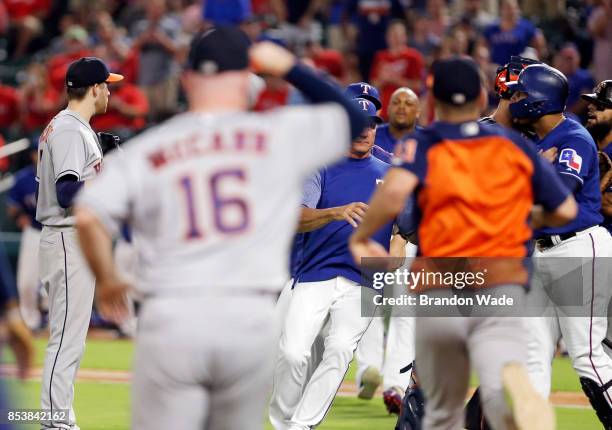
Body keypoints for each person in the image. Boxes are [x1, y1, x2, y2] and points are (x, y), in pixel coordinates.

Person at [74, 27, 369, 430]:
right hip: (247, 319)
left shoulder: (150, 148)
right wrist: (289, 67)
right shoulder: (279, 135)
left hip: (171, 316)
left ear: (187, 79)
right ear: (249, 79)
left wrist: (107, 279)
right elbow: (353, 118)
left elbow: (88, 215)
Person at [350, 57, 575, 430]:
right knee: (505, 378)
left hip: (442, 281)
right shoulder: (514, 147)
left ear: (433, 98)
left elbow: (398, 210)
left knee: (436, 399)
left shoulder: (420, 144)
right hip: (502, 281)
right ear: (481, 93)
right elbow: (565, 209)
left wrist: (362, 238)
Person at [269, 97, 397, 430]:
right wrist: (335, 212)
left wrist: (394, 252)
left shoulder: (391, 173)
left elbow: (407, 226)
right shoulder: (319, 166)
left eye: (371, 123)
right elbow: (296, 218)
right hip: (316, 273)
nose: (365, 130)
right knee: (293, 353)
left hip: (363, 281)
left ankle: (301, 425)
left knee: (340, 349)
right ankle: (284, 423)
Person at [508, 65, 612, 429]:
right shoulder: (536, 144)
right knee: (532, 354)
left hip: (578, 249)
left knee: (587, 356)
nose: (515, 101)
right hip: (542, 253)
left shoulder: (574, 137)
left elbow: (561, 193)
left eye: (521, 95)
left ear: (540, 99)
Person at [35, 56, 123, 430]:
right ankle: (55, 422)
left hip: (69, 240)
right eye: (106, 85)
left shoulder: (70, 126)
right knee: (66, 340)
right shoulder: (71, 130)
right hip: (68, 238)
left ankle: (60, 418)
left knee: (70, 339)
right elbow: (68, 191)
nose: (109, 91)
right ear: (95, 88)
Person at [6, 142, 43, 331]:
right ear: (32, 155)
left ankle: (57, 323)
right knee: (26, 281)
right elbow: (12, 204)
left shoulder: (60, 174)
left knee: (60, 282)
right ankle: (30, 322)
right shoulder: (24, 178)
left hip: (59, 230)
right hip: (35, 231)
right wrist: (20, 216)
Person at [370, 20, 424, 120]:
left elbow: (418, 85)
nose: (396, 39)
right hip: (385, 111)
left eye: (399, 35)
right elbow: (373, 84)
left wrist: (394, 80)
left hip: (406, 112)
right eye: (393, 35)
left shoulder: (413, 57)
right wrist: (383, 80)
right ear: (387, 38)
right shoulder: (380, 56)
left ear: (405, 37)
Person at [582, 80, 612, 236]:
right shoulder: (589, 148)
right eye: (592, 102)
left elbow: (607, 206)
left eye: (600, 105)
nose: (590, 107)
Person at [481, 0, 546, 66]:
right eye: (507, 8)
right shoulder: (492, 28)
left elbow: (539, 45)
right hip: (496, 69)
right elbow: (481, 46)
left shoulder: (526, 26)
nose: (510, 11)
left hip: (519, 69)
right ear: (501, 9)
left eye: (514, 8)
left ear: (518, 9)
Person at [374, 87, 421, 153]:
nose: (401, 107)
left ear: (417, 112)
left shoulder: (428, 140)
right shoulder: (373, 136)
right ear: (388, 109)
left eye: (408, 103)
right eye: (396, 102)